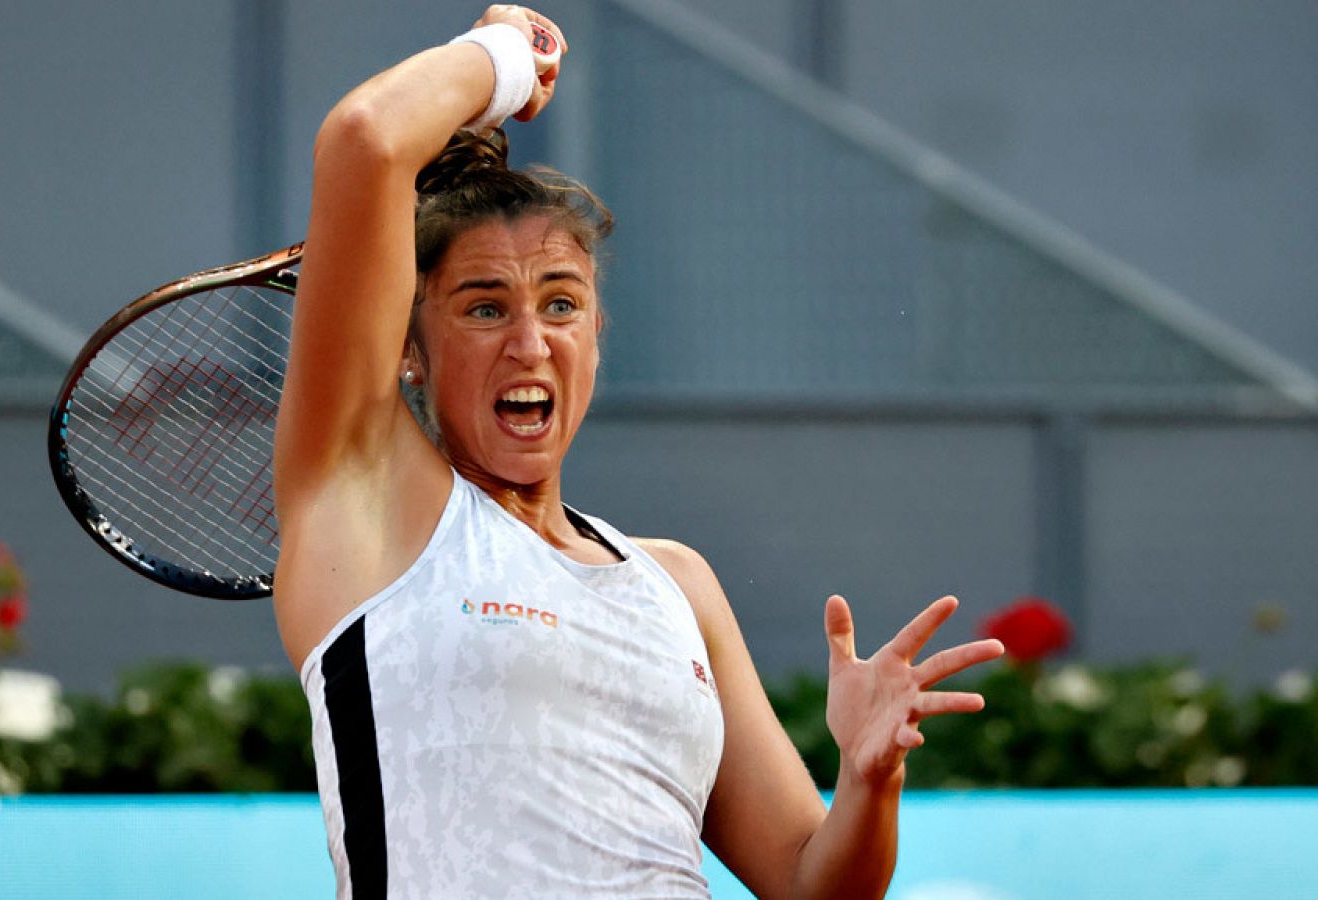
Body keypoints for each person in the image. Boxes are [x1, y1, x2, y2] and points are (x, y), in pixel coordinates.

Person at [272, 6, 1005, 897]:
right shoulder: (370, 505)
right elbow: (366, 139)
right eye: (484, 306)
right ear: (408, 351)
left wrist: (867, 776)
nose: (530, 343)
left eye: (560, 303)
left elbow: (813, 884)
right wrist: (508, 56)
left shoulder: (676, 585)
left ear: (597, 331)